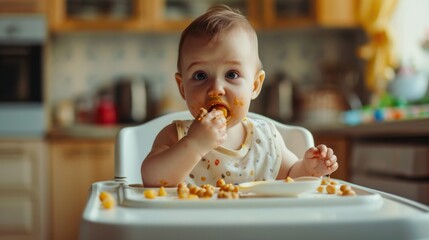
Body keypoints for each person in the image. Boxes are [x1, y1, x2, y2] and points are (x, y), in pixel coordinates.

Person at [141, 5, 338, 187]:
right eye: (200, 75)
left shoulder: (265, 139)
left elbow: (290, 176)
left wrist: (309, 169)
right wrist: (194, 144)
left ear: (254, 85)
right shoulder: (176, 136)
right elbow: (152, 179)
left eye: (232, 75)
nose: (216, 88)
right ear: (182, 88)